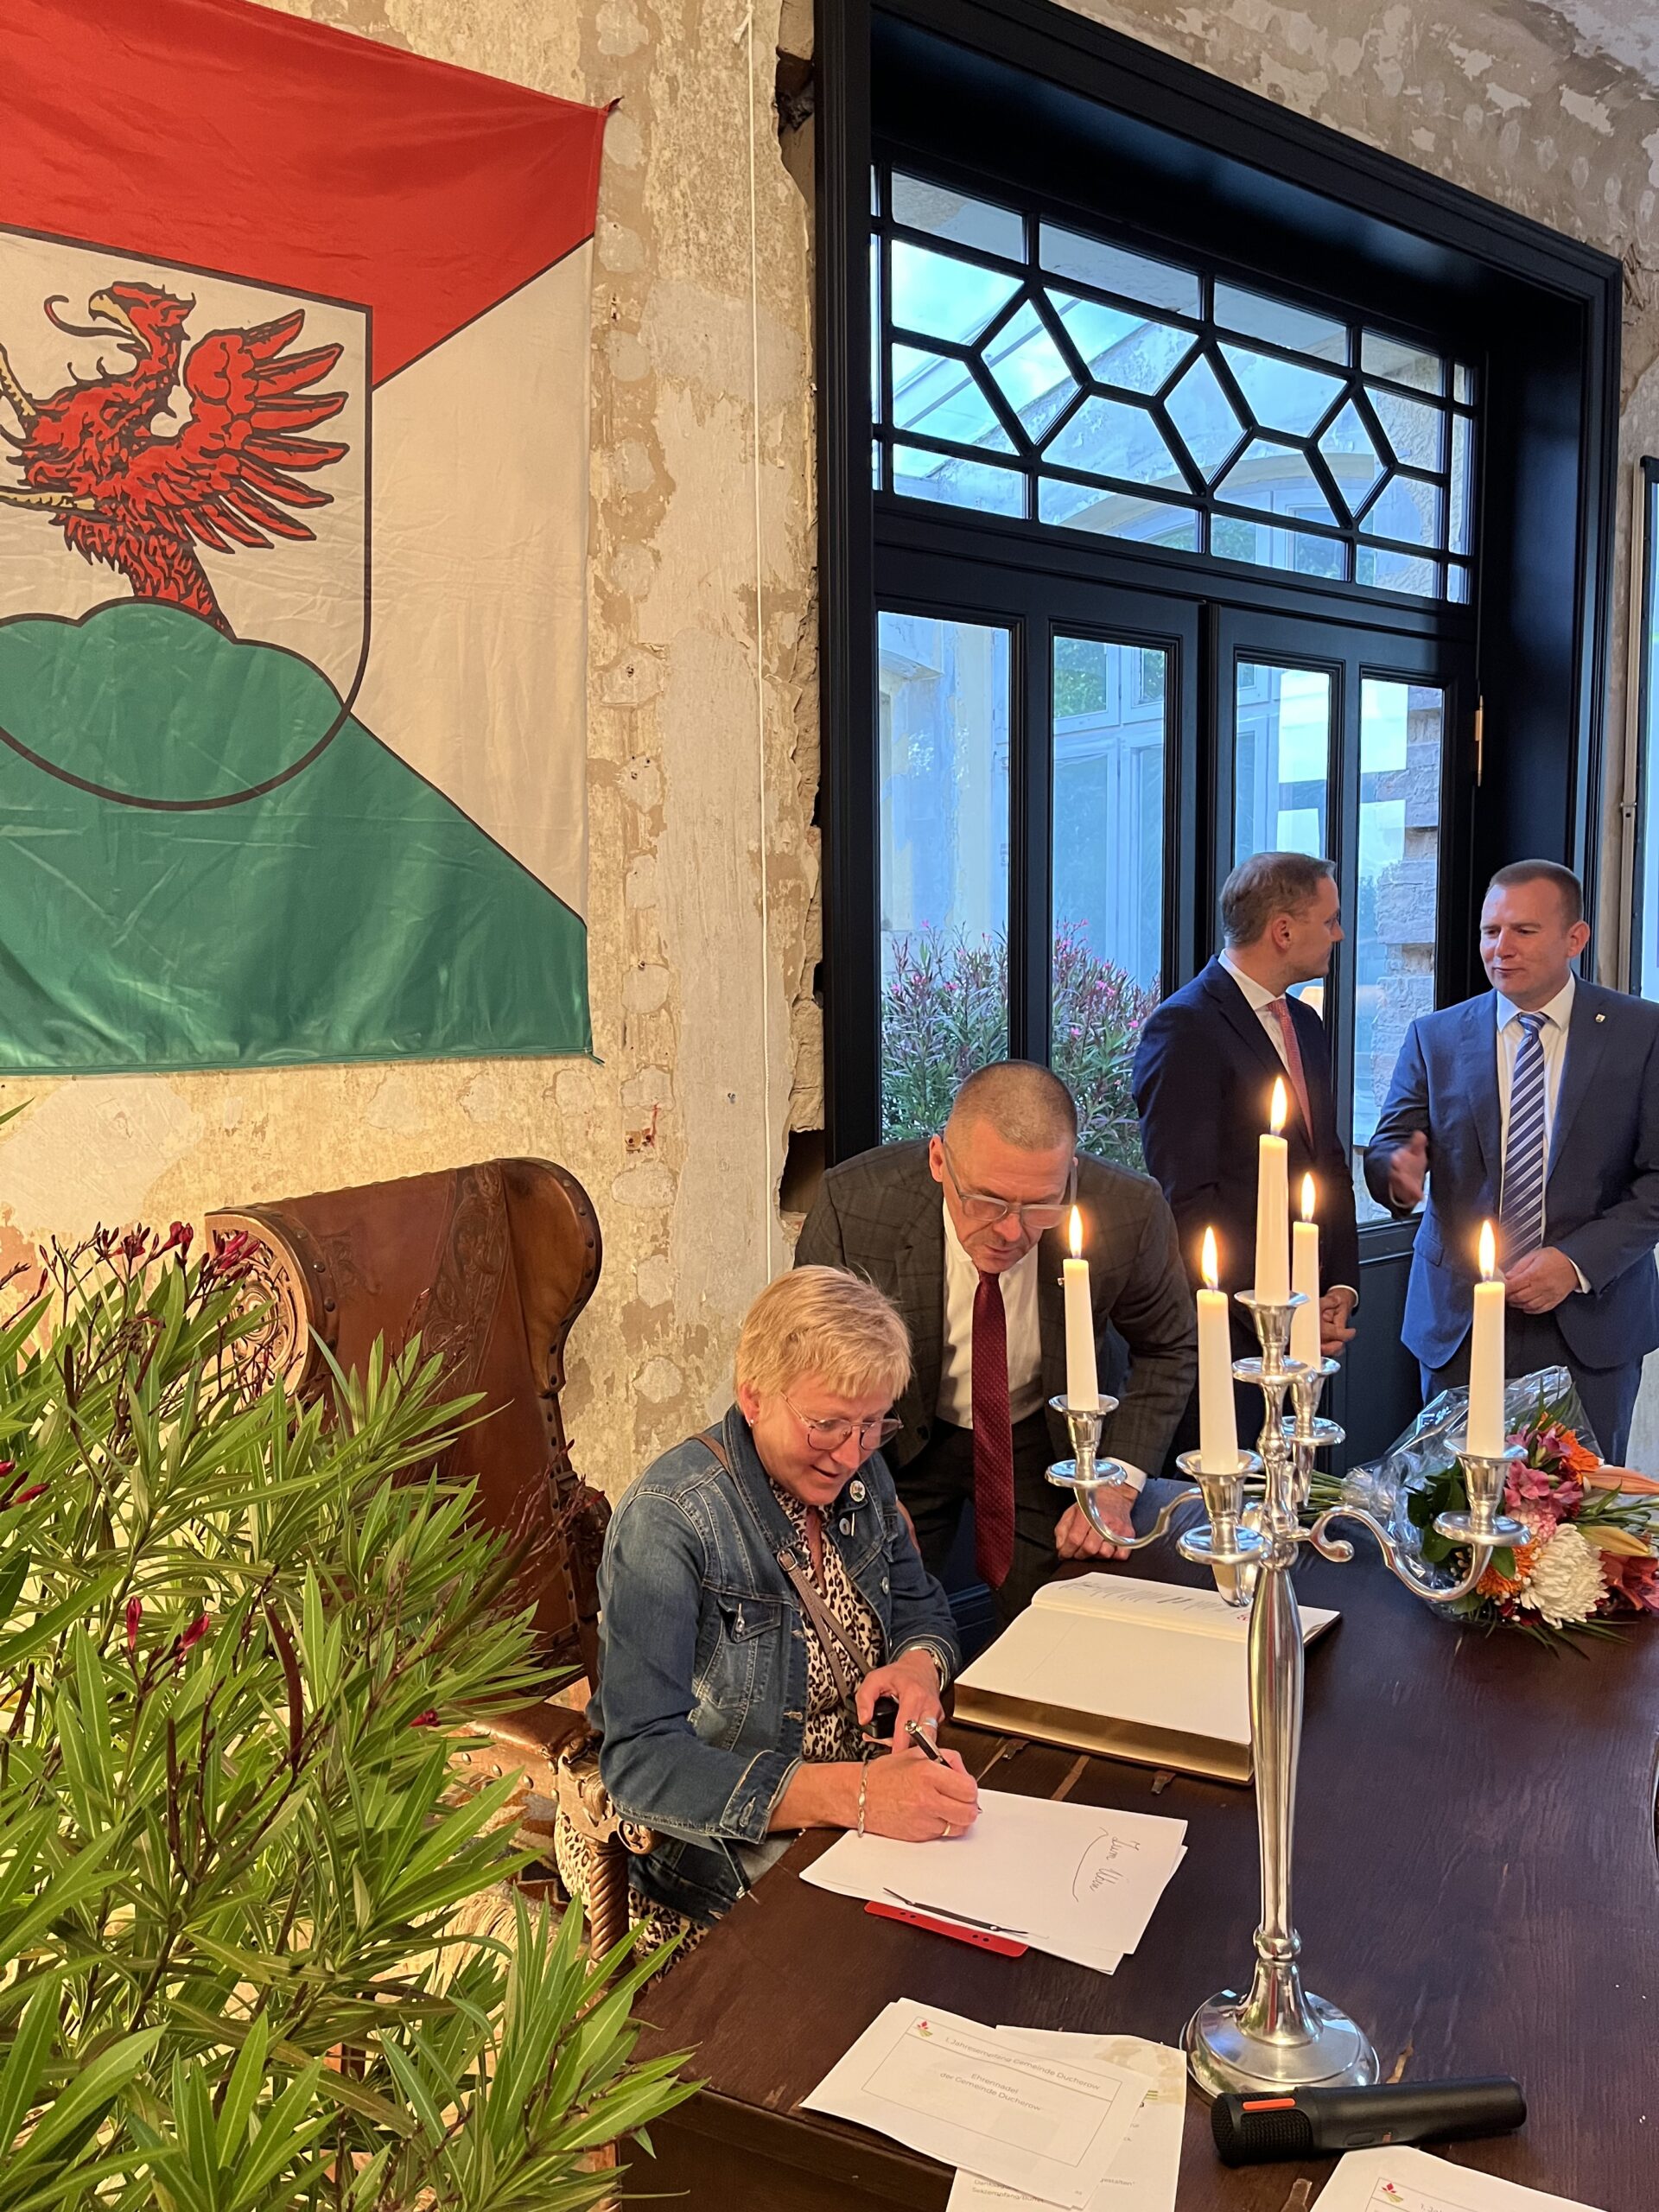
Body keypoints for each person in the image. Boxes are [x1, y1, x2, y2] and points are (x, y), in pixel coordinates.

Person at [584, 1266, 975, 1934]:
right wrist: (855, 1795)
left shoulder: (862, 1473)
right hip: (720, 1850)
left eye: (873, 1424)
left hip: (858, 1814)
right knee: (882, 1959)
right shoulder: (671, 1520)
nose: (850, 1455)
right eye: (827, 1425)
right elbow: (641, 1764)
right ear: (754, 1396)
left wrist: (918, 1668)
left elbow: (922, 1607)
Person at [794, 1061, 1195, 1622]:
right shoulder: (856, 1207)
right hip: (896, 1439)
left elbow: (1169, 1347)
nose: (1010, 1231)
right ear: (939, 1161)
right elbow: (812, 1366)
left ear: (1071, 1173)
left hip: (1047, 1440)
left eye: (1040, 1206)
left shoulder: (1129, 1211)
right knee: (876, 1611)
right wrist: (868, 1489)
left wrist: (1117, 1481)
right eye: (986, 1201)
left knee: (1061, 1623)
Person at [1364, 859, 1659, 1463]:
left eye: (1523, 931)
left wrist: (1574, 1263)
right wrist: (1395, 1170)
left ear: (1575, 938)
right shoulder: (1435, 1037)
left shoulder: (1641, 1032)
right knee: (1449, 1505)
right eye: (1490, 931)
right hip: (1460, 1326)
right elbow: (1390, 1143)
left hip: (1591, 1326)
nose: (1501, 949)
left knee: (1577, 1512)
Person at [1132, 851, 1359, 1372]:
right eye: (1329, 921)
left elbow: (1327, 1161)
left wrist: (1339, 1287)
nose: (1339, 934)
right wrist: (1274, 1316)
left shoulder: (1305, 1022)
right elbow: (1187, 1203)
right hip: (1231, 1339)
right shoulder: (1185, 1027)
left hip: (1309, 1316)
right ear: (1283, 931)